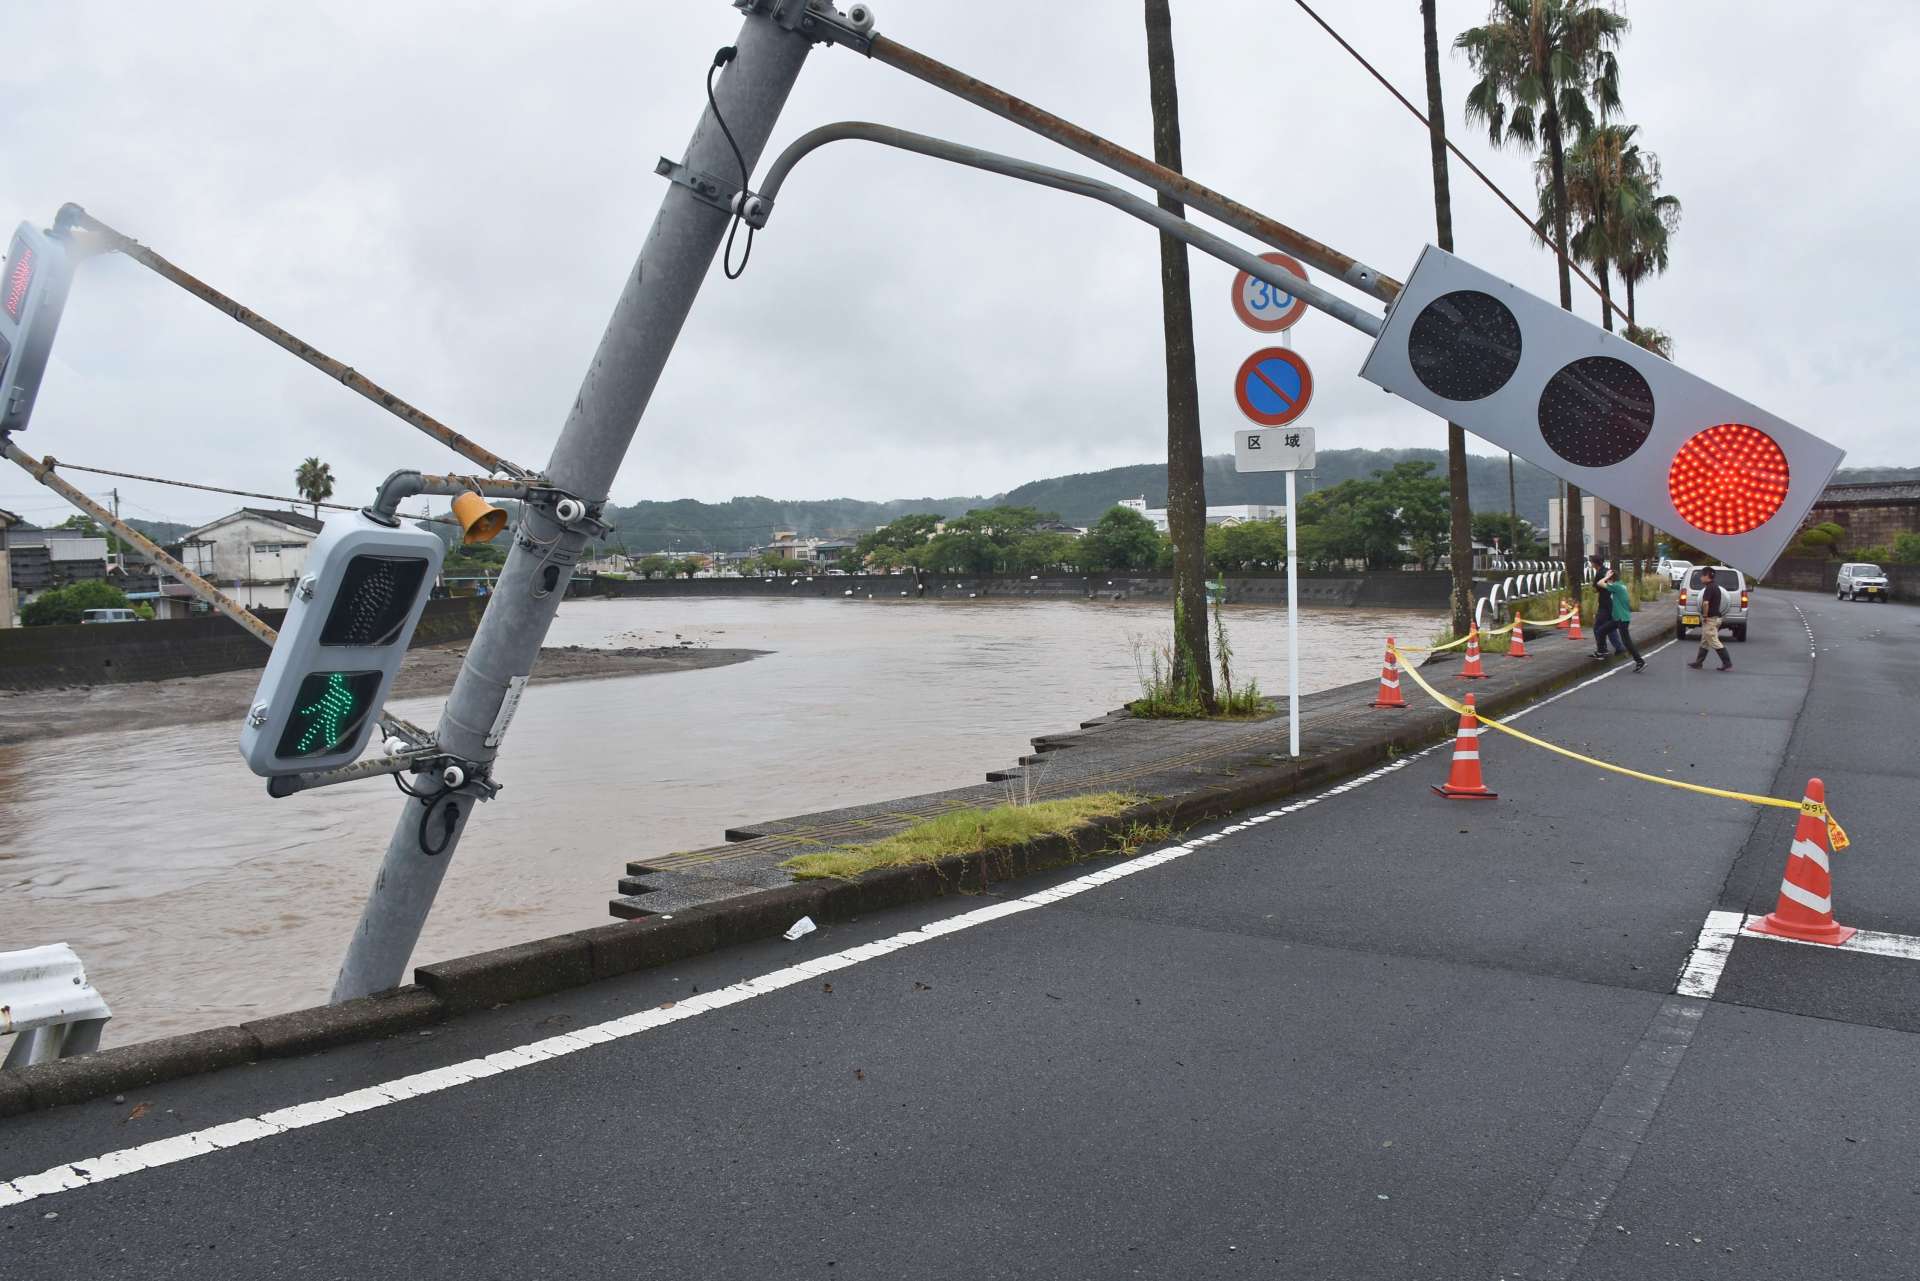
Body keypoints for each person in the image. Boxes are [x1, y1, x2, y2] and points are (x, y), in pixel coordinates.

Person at [1600, 566, 1646, 672]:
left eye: (1608, 576)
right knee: (1602, 630)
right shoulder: (1621, 585)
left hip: (1621, 618)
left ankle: (1640, 661)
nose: (1606, 578)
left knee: (1626, 641)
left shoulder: (1616, 586)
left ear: (1611, 577)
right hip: (1619, 618)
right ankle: (1602, 651)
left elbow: (1600, 583)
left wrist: (1606, 577)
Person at [1686, 567, 1732, 671]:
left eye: (1702, 575)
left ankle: (1727, 662)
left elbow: (1706, 603)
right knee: (1705, 641)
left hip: (1711, 619)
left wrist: (1705, 616)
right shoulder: (1715, 587)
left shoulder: (1709, 588)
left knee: (1714, 641)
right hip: (1716, 617)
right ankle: (1698, 663)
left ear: (1707, 576)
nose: (1701, 578)